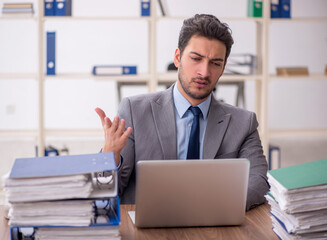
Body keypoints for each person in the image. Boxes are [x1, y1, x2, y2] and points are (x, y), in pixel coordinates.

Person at [95, 14, 269, 210]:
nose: (204, 72)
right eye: (196, 59)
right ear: (177, 58)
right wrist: (109, 156)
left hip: (215, 226)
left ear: (223, 68)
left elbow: (258, 182)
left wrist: (209, 207)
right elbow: (107, 193)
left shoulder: (243, 122)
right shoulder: (135, 111)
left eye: (215, 63)